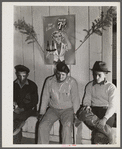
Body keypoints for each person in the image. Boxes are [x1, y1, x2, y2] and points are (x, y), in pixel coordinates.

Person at [38, 62, 80, 144]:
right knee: (42, 126)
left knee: (66, 128)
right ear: (55, 72)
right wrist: (41, 113)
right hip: (53, 109)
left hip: (68, 110)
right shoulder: (49, 81)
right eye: (58, 74)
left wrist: (76, 114)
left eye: (63, 75)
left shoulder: (72, 82)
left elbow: (75, 99)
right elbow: (45, 97)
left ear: (67, 74)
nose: (60, 77)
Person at [76, 61, 117, 144]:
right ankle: (109, 132)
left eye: (99, 75)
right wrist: (87, 106)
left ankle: (102, 133)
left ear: (105, 74)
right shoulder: (89, 85)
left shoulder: (111, 87)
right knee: (82, 112)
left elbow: (113, 106)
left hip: (106, 112)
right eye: (95, 74)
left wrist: (105, 119)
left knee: (98, 135)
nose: (96, 77)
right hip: (93, 112)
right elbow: (86, 101)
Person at [13, 65, 38, 143]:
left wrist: (22, 109)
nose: (21, 78)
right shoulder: (13, 84)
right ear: (16, 74)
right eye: (19, 76)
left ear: (27, 75)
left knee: (17, 120)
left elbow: (34, 102)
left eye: (24, 76)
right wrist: (14, 107)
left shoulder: (32, 85)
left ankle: (15, 138)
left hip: (28, 109)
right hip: (16, 109)